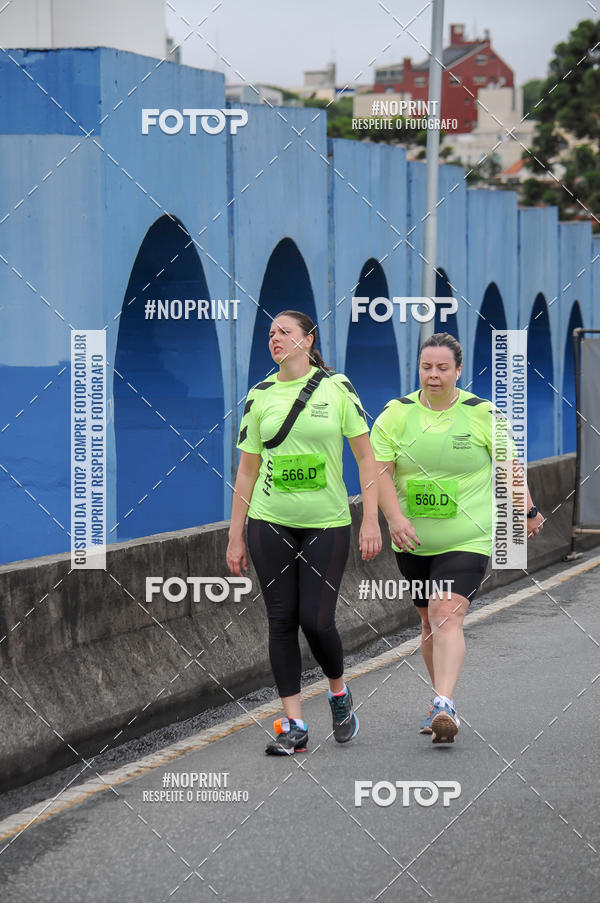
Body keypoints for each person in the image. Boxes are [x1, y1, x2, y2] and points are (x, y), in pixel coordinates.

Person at [371, 332, 544, 744]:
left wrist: (528, 510)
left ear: (458, 371)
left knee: (446, 612)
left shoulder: (481, 414)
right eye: (427, 367)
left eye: (442, 368)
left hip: (468, 536)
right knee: (428, 621)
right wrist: (394, 520)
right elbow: (379, 474)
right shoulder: (395, 415)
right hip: (411, 540)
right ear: (419, 369)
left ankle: (445, 703)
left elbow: (509, 468)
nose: (433, 375)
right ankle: (439, 700)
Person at [226, 310, 382, 755]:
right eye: (270, 333)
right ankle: (293, 724)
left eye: (285, 332)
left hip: (327, 522)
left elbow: (365, 459)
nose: (274, 339)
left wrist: (370, 519)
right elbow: (246, 471)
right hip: (269, 520)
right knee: (281, 620)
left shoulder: (338, 388)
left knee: (316, 620)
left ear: (308, 340)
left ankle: (338, 694)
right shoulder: (259, 395)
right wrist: (236, 534)